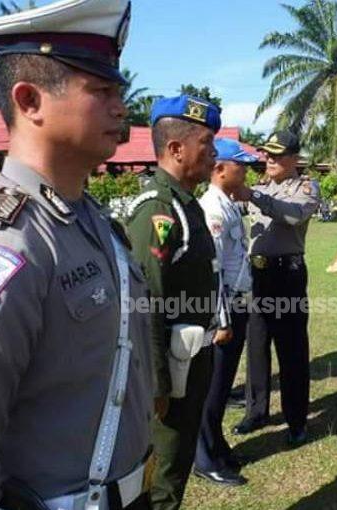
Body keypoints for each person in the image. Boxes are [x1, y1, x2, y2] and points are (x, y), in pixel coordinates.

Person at [0, 2, 155, 510]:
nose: (121, 107)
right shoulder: (1, 244)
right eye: (101, 91)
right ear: (30, 100)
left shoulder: (89, 218)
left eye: (119, 92)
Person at [124, 95, 222, 510]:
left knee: (176, 467)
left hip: (191, 358)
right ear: (176, 149)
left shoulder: (186, 204)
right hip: (170, 373)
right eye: (206, 142)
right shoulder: (158, 211)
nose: (214, 152)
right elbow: (145, 303)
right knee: (163, 476)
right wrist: (158, 386)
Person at [231, 130, 321, 445]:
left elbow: (294, 216)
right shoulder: (258, 188)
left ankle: (296, 420)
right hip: (257, 276)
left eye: (276, 154)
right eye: (266, 154)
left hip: (288, 276)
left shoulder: (306, 188)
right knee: (256, 346)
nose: (268, 159)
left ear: (294, 158)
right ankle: (256, 412)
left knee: (292, 349)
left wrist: (253, 196)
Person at [193, 138, 257, 486]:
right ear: (219, 169)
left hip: (238, 304)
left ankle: (217, 446)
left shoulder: (229, 205)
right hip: (225, 309)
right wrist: (221, 319)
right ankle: (204, 457)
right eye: (241, 165)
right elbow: (212, 271)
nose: (245, 171)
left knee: (223, 383)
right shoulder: (213, 209)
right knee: (213, 387)